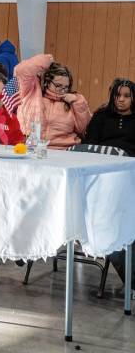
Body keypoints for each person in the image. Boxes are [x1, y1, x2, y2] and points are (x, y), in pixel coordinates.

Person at [84, 78, 135, 296]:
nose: (121, 100)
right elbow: (90, 146)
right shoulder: (101, 117)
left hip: (129, 179)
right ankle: (132, 281)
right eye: (117, 95)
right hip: (101, 180)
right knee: (110, 224)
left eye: (126, 96)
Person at [14, 55, 91, 149]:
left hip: (64, 151)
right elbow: (21, 70)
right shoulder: (31, 92)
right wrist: (45, 60)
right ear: (47, 81)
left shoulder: (73, 101)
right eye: (58, 86)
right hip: (32, 149)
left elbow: (84, 129)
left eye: (66, 87)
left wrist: (78, 102)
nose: (62, 90)